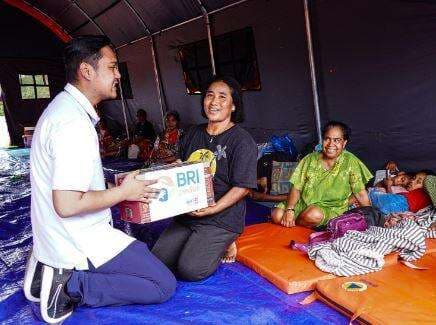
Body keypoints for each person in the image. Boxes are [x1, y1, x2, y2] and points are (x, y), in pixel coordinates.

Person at [23, 35, 176, 324]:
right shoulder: (73, 125)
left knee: (141, 253)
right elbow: (67, 205)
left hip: (57, 235)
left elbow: (72, 186)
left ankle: (46, 265)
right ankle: (70, 285)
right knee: (162, 284)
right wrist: (122, 193)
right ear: (87, 71)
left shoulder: (64, 109)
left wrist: (118, 188)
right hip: (78, 239)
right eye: (113, 67)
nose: (119, 74)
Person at [151, 76, 257, 280]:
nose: (214, 102)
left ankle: (227, 240)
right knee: (159, 259)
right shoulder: (193, 133)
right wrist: (174, 169)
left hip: (220, 218)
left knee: (191, 270)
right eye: (209, 95)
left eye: (222, 97)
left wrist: (212, 208)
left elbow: (242, 187)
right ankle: (202, 241)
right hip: (188, 214)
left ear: (233, 106)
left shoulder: (242, 141)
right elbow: (181, 165)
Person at [272, 121, 373, 228]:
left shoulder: (350, 161)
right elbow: (296, 188)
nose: (331, 144)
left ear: (344, 143)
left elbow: (360, 193)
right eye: (327, 139)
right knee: (277, 215)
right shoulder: (310, 159)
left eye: (336, 140)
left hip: (330, 208)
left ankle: (300, 225)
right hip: (302, 203)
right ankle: (303, 224)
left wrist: (371, 217)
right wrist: (290, 209)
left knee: (313, 214)